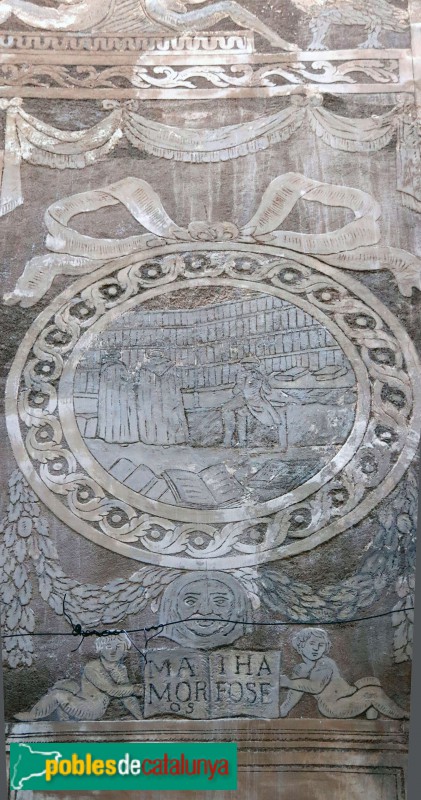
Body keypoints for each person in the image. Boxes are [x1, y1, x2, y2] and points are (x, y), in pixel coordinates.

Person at [280, 628, 409, 720]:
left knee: (370, 681)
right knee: (374, 692)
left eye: (321, 645)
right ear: (301, 646)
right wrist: (285, 708)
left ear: (325, 648)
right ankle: (402, 714)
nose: (316, 648)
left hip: (345, 698)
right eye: (312, 643)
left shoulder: (324, 662)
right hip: (336, 706)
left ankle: (370, 711)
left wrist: (289, 684)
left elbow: (298, 687)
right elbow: (313, 688)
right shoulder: (316, 665)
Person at [14, 634, 143, 721]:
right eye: (108, 646)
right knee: (66, 684)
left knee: (57, 695)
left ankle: (33, 715)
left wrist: (140, 718)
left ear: (125, 649)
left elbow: (126, 696)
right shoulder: (92, 667)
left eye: (118, 646)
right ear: (100, 649)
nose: (113, 651)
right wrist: (134, 689)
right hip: (85, 702)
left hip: (92, 708)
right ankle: (46, 714)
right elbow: (113, 689)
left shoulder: (120, 670)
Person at [143, 1, 298, 50]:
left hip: (178, 20)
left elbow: (183, 4)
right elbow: (182, 7)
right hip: (181, 22)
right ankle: (275, 39)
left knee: (228, 6)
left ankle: (275, 39)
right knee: (228, 6)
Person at [221, 357, 288, 451]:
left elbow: (235, 391)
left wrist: (240, 383)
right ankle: (241, 441)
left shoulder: (244, 375)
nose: (243, 365)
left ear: (251, 365)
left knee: (226, 409)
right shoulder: (260, 375)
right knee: (240, 412)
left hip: (246, 399)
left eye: (245, 363)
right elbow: (268, 390)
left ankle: (228, 439)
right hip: (259, 401)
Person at [134, 350, 189, 446]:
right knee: (169, 416)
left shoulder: (144, 368)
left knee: (153, 417)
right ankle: (171, 440)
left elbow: (140, 386)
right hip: (168, 397)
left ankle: (152, 439)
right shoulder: (171, 367)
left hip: (151, 399)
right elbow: (179, 383)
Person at [96, 352, 138, 444]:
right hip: (119, 396)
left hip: (107, 397)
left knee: (109, 414)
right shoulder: (120, 367)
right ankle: (121, 438)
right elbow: (126, 381)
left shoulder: (104, 368)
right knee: (121, 415)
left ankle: (107, 436)